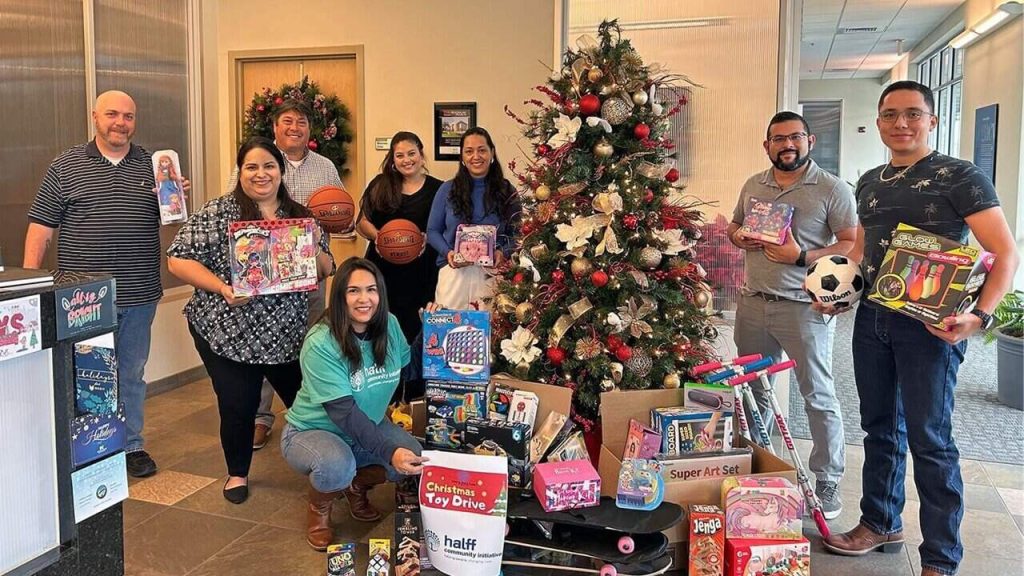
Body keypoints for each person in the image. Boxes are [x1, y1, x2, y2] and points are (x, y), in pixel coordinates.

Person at [821, 81, 1018, 576]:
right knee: (880, 429)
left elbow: (1005, 251)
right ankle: (880, 523)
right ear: (880, 120)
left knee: (931, 440)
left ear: (931, 119)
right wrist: (839, 290)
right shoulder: (868, 181)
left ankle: (940, 558)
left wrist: (980, 316)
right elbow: (866, 253)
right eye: (890, 115)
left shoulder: (961, 177)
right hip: (874, 320)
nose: (901, 123)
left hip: (932, 328)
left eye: (913, 114)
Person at [24, 90, 191, 479]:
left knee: (130, 373)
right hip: (81, 299)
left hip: (138, 292)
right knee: (87, 373)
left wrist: (174, 199)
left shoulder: (153, 166)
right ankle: (89, 446)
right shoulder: (65, 166)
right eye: (112, 114)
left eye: (128, 116)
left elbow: (173, 225)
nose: (121, 122)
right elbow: (41, 226)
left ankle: (131, 445)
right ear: (95, 117)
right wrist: (32, 284)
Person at [168, 137, 334, 504]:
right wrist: (223, 287)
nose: (261, 174)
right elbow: (178, 259)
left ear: (280, 171)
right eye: (252, 167)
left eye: (269, 166)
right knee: (237, 405)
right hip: (227, 331)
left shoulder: (301, 216)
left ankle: (328, 470)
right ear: (240, 172)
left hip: (287, 335)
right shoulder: (218, 212)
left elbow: (325, 268)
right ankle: (237, 473)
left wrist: (317, 250)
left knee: (308, 401)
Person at [727, 111, 858, 520]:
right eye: (778, 138)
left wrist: (800, 255)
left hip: (805, 310)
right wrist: (740, 236)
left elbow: (851, 245)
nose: (787, 144)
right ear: (766, 145)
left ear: (809, 141)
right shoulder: (753, 185)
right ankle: (762, 465)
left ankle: (827, 478)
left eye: (795, 137)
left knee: (817, 395)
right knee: (752, 392)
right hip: (752, 304)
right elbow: (733, 225)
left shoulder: (832, 188)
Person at [281, 257, 428, 551]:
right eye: (353, 291)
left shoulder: (390, 323)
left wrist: (431, 330)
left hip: (367, 425)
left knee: (412, 457)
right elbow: (343, 413)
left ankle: (355, 485)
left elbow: (406, 372)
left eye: (371, 290)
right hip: (312, 431)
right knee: (337, 465)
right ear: (339, 296)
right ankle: (320, 509)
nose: (364, 299)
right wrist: (388, 449)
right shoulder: (321, 342)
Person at [226, 99, 345, 452]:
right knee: (262, 345)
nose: (295, 127)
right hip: (262, 275)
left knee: (310, 342)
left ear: (311, 129)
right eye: (287, 121)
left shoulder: (324, 167)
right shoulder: (257, 164)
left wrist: (340, 221)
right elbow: (234, 211)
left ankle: (305, 414)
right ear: (275, 127)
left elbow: (338, 210)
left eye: (302, 122)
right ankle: (260, 418)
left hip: (307, 276)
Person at [355, 131, 443, 343]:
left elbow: (446, 229)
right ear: (393, 160)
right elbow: (361, 223)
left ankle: (414, 376)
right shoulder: (380, 185)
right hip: (383, 270)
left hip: (422, 271)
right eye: (400, 155)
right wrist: (380, 237)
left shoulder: (439, 189)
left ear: (421, 155)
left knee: (417, 330)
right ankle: (383, 374)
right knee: (381, 327)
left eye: (411, 153)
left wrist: (427, 239)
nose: (407, 160)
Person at [426, 127, 521, 310]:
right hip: (454, 274)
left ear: (492, 152)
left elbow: (517, 232)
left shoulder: (507, 191)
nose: (476, 156)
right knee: (449, 331)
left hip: (492, 274)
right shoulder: (447, 189)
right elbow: (432, 231)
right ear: (462, 157)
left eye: (482, 150)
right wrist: (448, 252)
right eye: (469, 151)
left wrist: (503, 253)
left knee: (490, 332)